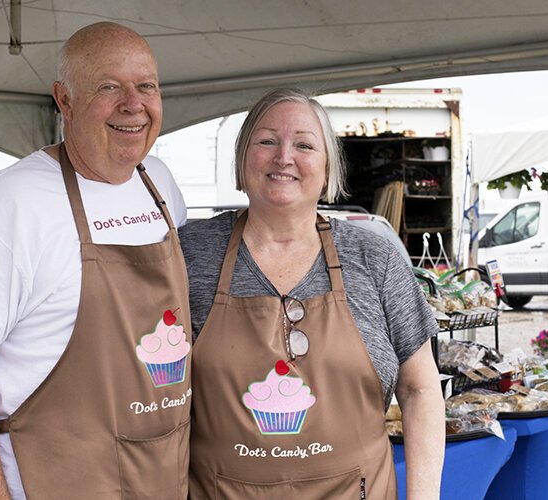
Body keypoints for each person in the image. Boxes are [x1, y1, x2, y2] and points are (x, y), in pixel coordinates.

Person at [0, 23, 192, 499]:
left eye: (146, 86)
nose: (133, 104)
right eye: (109, 87)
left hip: (158, 475)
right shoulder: (11, 204)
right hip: (52, 478)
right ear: (64, 100)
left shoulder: (159, 183)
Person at [181, 88, 444, 499]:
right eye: (267, 140)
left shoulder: (375, 259)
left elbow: (421, 389)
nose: (284, 157)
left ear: (327, 170)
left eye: (304, 144)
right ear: (241, 158)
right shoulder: (189, 253)